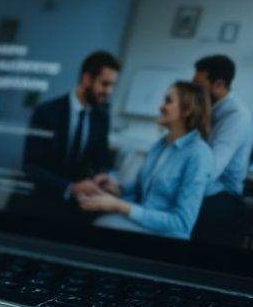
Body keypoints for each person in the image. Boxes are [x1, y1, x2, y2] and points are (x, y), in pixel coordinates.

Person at [77, 81, 214, 240]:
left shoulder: (199, 155)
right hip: (144, 222)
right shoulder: (161, 144)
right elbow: (139, 189)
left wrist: (118, 205)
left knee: (102, 223)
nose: (160, 107)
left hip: (166, 234)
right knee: (88, 214)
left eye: (168, 101)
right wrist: (116, 188)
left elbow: (182, 223)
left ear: (187, 109)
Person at [22, 51, 120, 213]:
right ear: (87, 79)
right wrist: (71, 187)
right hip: (41, 200)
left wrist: (104, 175)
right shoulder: (46, 112)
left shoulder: (102, 117)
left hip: (79, 206)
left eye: (112, 85)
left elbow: (101, 159)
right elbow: (30, 167)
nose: (109, 91)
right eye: (105, 84)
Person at [190, 54, 253, 241]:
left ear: (218, 85)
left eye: (198, 86)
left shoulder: (236, 117)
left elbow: (210, 171)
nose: (192, 91)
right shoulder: (208, 108)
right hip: (207, 187)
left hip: (224, 194)